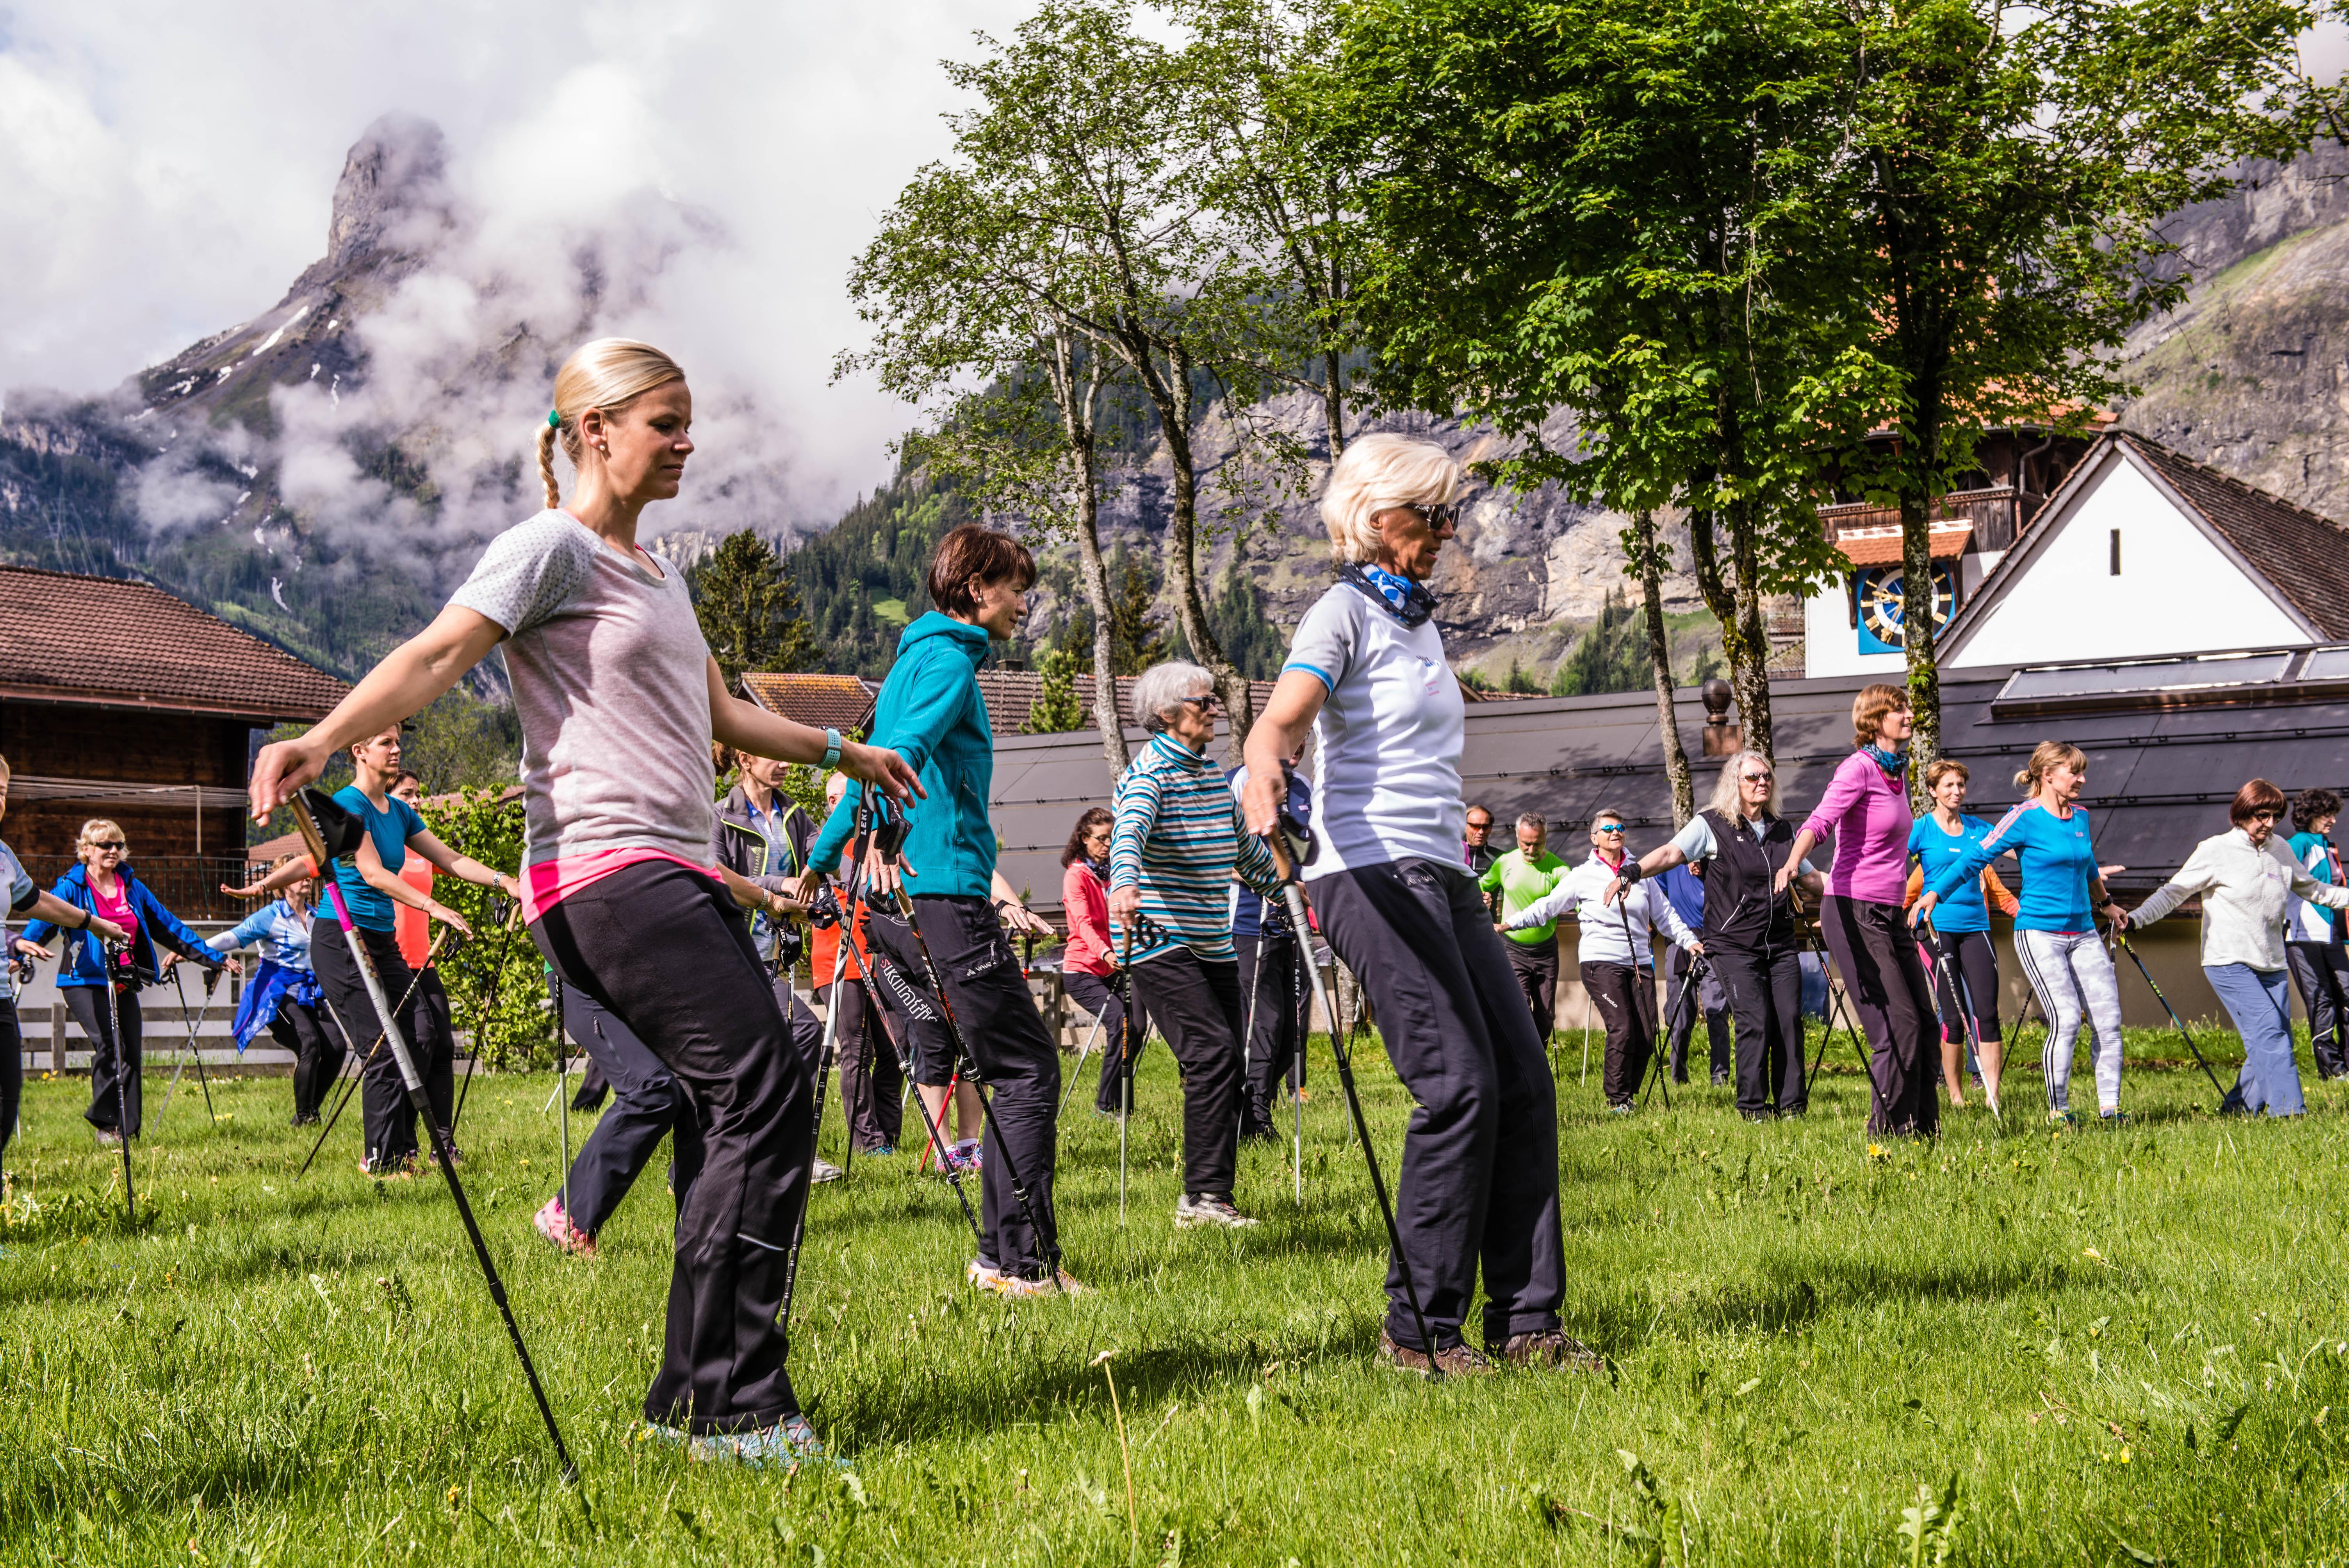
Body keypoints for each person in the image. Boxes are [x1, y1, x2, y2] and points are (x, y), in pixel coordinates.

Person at [247, 337, 921, 1466]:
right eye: (667, 422)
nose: (689, 441)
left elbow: (727, 719)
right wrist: (322, 738)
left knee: (739, 1099)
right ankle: (737, 1406)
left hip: (682, 867)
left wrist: (850, 755)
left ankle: (692, 1401)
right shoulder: (547, 549)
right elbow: (436, 654)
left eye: (688, 420)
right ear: (596, 431)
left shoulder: (658, 574)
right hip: (606, 870)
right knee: (764, 1081)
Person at [1241, 431, 1588, 1376]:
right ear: (1373, 516)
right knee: (1457, 1085)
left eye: (1448, 512)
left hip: (1440, 871)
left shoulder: (1417, 622)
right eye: (1427, 514)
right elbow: (1279, 719)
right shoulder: (1340, 613)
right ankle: (1419, 1332)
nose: (1444, 529)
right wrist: (1264, 774)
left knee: (1522, 1081)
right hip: (1364, 871)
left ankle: (1529, 1324)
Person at [798, 522, 1067, 1299]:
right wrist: (882, 828)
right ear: (976, 588)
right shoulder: (949, 662)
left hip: (910, 896)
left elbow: (866, 766)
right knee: (1023, 1070)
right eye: (1016, 587)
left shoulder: (911, 660)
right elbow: (901, 755)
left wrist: (820, 865)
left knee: (1006, 1065)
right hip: (947, 891)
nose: (1024, 602)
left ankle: (1003, 1257)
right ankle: (1017, 1265)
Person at [241, 726, 515, 1173]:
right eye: (386, 741)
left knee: (423, 1035)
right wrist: (432, 906)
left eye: (397, 740)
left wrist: (508, 882)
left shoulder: (399, 812)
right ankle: (382, 1158)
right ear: (359, 751)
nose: (396, 747)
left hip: (382, 941)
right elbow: (370, 872)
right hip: (343, 939)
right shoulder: (351, 804)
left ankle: (403, 1145)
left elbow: (449, 859)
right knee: (383, 1047)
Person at [1109, 660, 1286, 1230]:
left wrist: (1290, 887)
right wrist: (1125, 883)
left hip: (1212, 941)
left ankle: (1215, 1195)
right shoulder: (1151, 774)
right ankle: (1203, 1200)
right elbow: (1129, 829)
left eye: (1214, 700)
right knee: (1210, 1054)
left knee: (1228, 1059)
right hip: (1161, 936)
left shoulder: (1210, 775)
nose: (1215, 710)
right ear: (1166, 715)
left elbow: (1245, 850)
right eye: (1202, 701)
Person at [1916, 740, 2129, 1125]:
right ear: (2048, 775)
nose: (2081, 778)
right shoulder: (2024, 816)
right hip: (2039, 932)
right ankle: (2058, 1112)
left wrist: (2106, 904)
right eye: (2073, 771)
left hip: (2083, 931)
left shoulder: (2080, 815)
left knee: (2109, 1020)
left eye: (2081, 771)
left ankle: (2110, 1110)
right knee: (2065, 1018)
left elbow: (2088, 865)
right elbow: (1974, 857)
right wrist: (1933, 892)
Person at [1609, 754, 1822, 1121]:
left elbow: (1811, 879)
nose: (1762, 782)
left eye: (1767, 776)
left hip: (1780, 943)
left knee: (1788, 1020)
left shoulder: (1783, 831)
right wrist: (1632, 871)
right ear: (1734, 783)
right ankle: (1753, 1108)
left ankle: (1791, 1108)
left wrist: (1865, 892)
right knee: (1754, 1020)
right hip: (1734, 944)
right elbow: (1671, 853)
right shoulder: (1712, 825)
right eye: (1753, 776)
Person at [2121, 779, 2349, 1117]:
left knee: (2273, 1038)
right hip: (2229, 961)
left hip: (2271, 962)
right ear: (2242, 814)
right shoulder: (2216, 850)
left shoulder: (2281, 850)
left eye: (2275, 816)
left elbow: (2315, 890)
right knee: (2271, 1033)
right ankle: (2289, 1113)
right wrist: (2135, 920)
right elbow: (2174, 892)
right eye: (2261, 816)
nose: (2269, 824)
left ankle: (2237, 1109)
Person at [1779, 685, 1939, 1138]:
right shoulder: (1858, 768)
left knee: (1925, 1022)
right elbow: (1819, 821)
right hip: (1852, 910)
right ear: (1875, 719)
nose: (1909, 715)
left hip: (1891, 913)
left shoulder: (1898, 772)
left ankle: (1925, 1131)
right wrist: (1793, 862)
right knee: (1896, 1026)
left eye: (1909, 707)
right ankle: (1885, 1132)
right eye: (1900, 709)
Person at [21, 819, 232, 1145]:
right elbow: (44, 919)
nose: (114, 851)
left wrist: (214, 957)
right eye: (106, 845)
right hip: (83, 980)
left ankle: (127, 1132)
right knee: (111, 1046)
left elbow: (169, 927)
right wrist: (20, 950)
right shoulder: (72, 887)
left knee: (132, 1053)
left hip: (123, 979)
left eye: (118, 845)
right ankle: (106, 1125)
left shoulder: (131, 886)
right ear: (87, 850)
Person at [1504, 808, 1699, 1110]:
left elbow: (1665, 916)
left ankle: (1629, 1095)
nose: (1616, 832)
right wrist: (1510, 924)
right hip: (1600, 963)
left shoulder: (1639, 872)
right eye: (1608, 829)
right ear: (1594, 838)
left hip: (1639, 963)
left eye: (1620, 827)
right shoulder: (1583, 875)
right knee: (1622, 1028)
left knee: (1647, 1035)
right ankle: (1617, 1099)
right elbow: (1547, 906)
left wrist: (1690, 942)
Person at [0, 756, 134, 1176]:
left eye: (2, 791)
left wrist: (95, 923)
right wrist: (16, 942)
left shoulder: (3, 856)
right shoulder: (73, 879)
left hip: (0, 999)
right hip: (78, 979)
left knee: (6, 1102)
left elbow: (36, 902)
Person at [712, 748, 839, 1183]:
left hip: (773, 956)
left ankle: (792, 1150)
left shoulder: (795, 814)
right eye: (775, 757)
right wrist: (778, 887)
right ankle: (703, 1161)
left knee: (801, 1033)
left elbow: (822, 859)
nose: (786, 764)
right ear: (745, 760)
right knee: (739, 1062)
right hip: (730, 953)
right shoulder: (721, 815)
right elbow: (716, 877)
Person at [1903, 759, 2016, 1109]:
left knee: (1987, 1011)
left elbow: (2022, 852)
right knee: (1952, 1016)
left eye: (1961, 785)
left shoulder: (1979, 829)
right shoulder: (1921, 829)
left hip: (1977, 927)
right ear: (1933, 791)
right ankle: (1955, 1097)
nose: (1956, 792)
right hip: (1937, 930)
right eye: (1949, 786)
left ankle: (1992, 1093)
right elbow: (1892, 868)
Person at [208, 856, 348, 1124]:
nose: (307, 878)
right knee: (310, 1043)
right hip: (277, 995)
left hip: (308, 993)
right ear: (283, 884)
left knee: (337, 1048)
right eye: (299, 875)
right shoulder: (271, 915)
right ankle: (306, 1115)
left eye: (308, 874)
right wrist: (191, 951)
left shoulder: (316, 916)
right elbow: (232, 937)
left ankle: (308, 1112)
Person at [813, 770, 905, 1159]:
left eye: (847, 797)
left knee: (896, 1046)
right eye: (834, 799)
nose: (842, 805)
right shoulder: (824, 842)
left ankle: (890, 1134)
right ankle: (868, 1142)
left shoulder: (878, 840)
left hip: (879, 957)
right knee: (857, 1050)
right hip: (839, 961)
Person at [1227, 750, 1312, 1140]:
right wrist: (1271, 882)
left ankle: (1252, 1103)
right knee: (1267, 1022)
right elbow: (1220, 857)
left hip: (1292, 924)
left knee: (1289, 1035)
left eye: (1304, 736)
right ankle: (1255, 1121)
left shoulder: (1304, 787)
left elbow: (1305, 852)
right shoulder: (1238, 780)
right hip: (1249, 923)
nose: (1296, 748)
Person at [1060, 807, 1148, 1119]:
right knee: (1121, 1023)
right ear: (1084, 839)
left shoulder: (1115, 874)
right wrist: (1105, 953)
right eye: (1102, 838)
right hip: (1084, 969)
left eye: (1113, 837)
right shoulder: (1077, 876)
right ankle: (1106, 1105)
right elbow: (1082, 923)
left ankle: (1125, 1103)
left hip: (1116, 964)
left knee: (1137, 1024)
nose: (1109, 844)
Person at [1479, 813, 1569, 1042]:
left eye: (1537, 843)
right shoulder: (1505, 863)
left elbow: (1580, 898)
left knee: (1546, 1016)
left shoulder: (1559, 870)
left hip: (1545, 951)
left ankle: (1537, 1059)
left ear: (1546, 838)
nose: (1531, 849)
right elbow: (1481, 886)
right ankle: (1523, 1062)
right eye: (1526, 843)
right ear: (1517, 836)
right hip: (1512, 948)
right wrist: (1482, 897)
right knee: (1517, 1008)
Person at [2285, 788, 2348, 1080]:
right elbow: (2278, 880)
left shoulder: (2328, 845)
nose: (2332, 820)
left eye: (2334, 814)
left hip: (2331, 934)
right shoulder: (2298, 843)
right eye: (2326, 814)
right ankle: (2332, 1070)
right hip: (2302, 936)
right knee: (2321, 999)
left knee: (2347, 993)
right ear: (2310, 815)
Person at [1657, 864, 1729, 1085]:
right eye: (1692, 860)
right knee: (1680, 1016)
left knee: (1716, 1012)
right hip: (1680, 946)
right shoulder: (1670, 868)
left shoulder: (1720, 867)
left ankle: (1720, 1078)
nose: (1696, 866)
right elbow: (1655, 898)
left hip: (1712, 946)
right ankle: (1678, 1077)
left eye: (1701, 860)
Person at [1463, 804, 1501, 880]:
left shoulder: (1500, 857)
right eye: (1475, 826)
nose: (1481, 832)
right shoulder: (1453, 855)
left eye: (1485, 827)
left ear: (1491, 829)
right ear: (1465, 827)